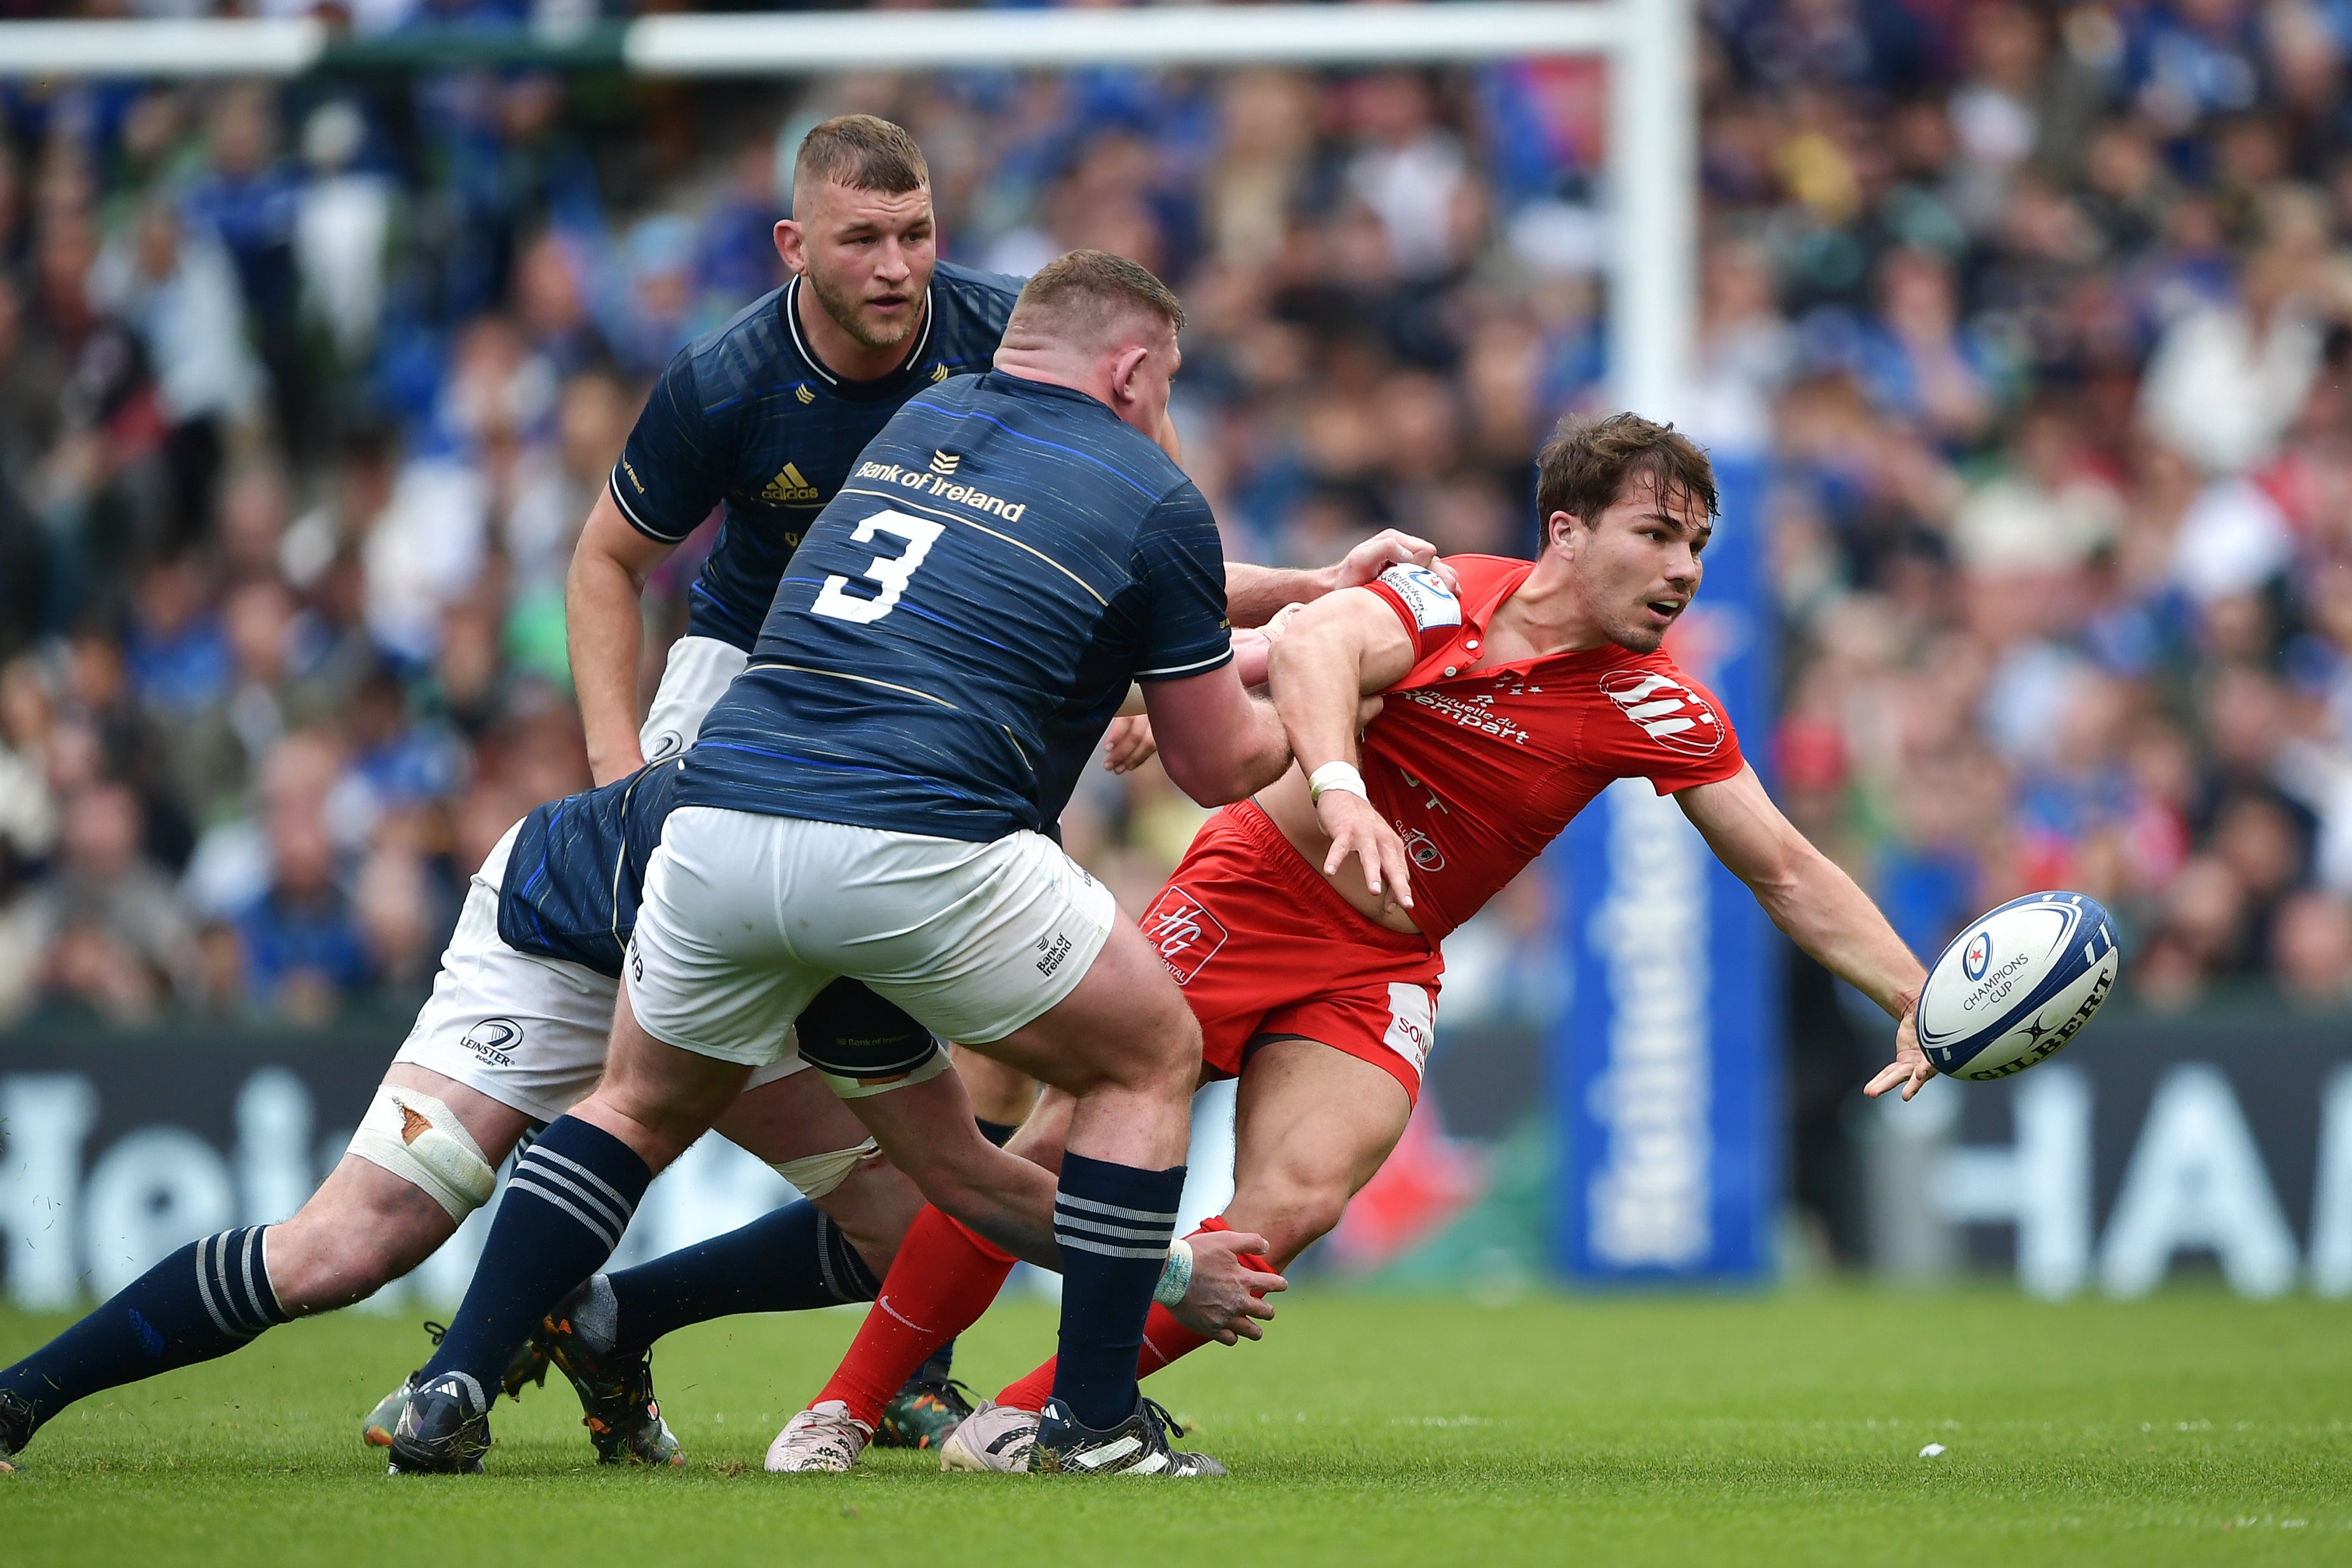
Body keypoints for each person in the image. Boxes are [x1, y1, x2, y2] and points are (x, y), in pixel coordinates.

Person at [764, 412, 1939, 1475]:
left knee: (1299, 1198)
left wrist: (1916, 996)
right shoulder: (1447, 597)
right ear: (1566, 532)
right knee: (1066, 1142)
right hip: (1255, 891)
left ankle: (1032, 1422)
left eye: (1696, 545)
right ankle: (844, 1411)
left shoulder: (1659, 705)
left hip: (1384, 956)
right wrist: (1327, 783)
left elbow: (1786, 867)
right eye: (1656, 535)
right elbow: (1319, 644)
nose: (1683, 569)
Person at [565, 110, 1435, 1447]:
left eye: (918, 232)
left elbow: (1118, 559)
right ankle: (1068, 1409)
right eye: (865, 237)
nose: (899, 264)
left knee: (963, 1109)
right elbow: (611, 559)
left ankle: (600, 1322)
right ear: (795, 246)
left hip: (885, 762)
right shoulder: (730, 377)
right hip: (781, 721)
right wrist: (1323, 720)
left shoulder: (976, 362)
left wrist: (1246, 627)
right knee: (1069, 1079)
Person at [385, 249, 1323, 1480]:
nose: (1168, 414)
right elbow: (1212, 764)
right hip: (910, 839)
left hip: (718, 818)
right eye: (1169, 388)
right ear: (1136, 370)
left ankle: (456, 1379)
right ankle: (1094, 1422)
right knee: (1148, 1047)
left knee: (640, 1107)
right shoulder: (1151, 490)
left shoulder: (924, 421)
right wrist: (1315, 693)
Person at [0, 753, 1281, 1474]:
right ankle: (25, 1396)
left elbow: (967, 1190)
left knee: (916, 1237)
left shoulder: (911, 858)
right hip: (561, 934)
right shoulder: (904, 840)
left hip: (752, 958)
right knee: (347, 1249)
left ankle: (596, 1320)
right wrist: (1170, 1262)